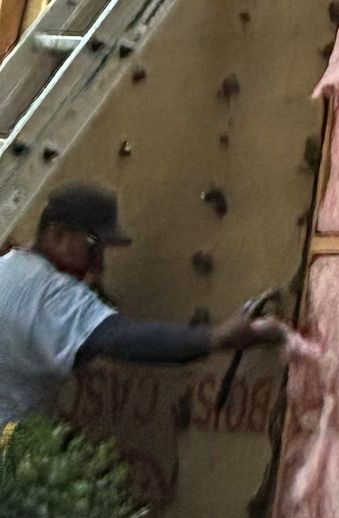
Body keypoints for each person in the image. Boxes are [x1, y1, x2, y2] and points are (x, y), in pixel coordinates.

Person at [0, 182, 289, 427]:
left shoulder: (10, 268)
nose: (98, 264)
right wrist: (217, 337)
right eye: (93, 246)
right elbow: (120, 339)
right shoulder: (46, 292)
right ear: (58, 234)